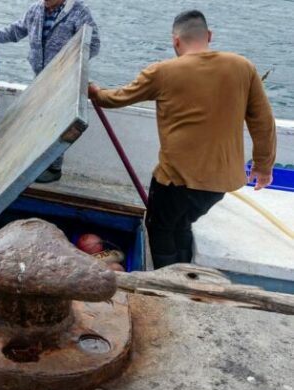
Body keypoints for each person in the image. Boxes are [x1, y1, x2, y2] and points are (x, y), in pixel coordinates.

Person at [88, 10, 276, 269]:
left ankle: (169, 285)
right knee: (182, 224)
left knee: (161, 228)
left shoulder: (163, 72)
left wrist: (96, 93)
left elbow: (116, 98)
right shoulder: (243, 67)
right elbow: (263, 121)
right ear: (209, 35)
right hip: (218, 185)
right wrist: (263, 167)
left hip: (176, 181)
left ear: (176, 41)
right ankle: (186, 275)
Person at [0, 0, 101, 183]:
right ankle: (39, 164)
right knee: (41, 121)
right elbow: (16, 30)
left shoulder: (79, 11)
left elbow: (94, 44)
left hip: (64, 78)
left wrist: (72, 63)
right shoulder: (35, 10)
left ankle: (54, 168)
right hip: (41, 77)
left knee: (57, 123)